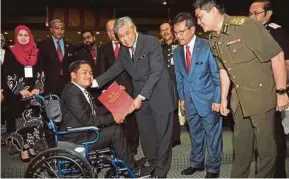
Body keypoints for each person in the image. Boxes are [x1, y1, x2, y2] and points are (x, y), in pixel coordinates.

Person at [193, 0, 288, 177]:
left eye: (200, 17)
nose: (198, 22)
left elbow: (277, 55)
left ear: (213, 11)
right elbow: (223, 70)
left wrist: (281, 92)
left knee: (265, 149)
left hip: (261, 95)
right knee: (242, 147)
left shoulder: (245, 25)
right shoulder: (213, 38)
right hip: (239, 100)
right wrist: (222, 99)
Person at [92, 16, 177, 177]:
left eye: (127, 34)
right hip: (140, 97)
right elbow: (116, 68)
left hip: (159, 94)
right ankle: (152, 162)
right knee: (146, 134)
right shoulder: (124, 49)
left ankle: (161, 170)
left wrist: (140, 96)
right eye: (121, 36)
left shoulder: (151, 42)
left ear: (134, 29)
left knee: (163, 135)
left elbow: (156, 72)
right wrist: (95, 82)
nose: (125, 39)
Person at [59, 60, 153, 177]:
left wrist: (116, 98)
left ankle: (129, 164)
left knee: (115, 127)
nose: (89, 76)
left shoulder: (79, 90)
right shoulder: (72, 93)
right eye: (84, 72)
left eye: (91, 73)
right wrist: (113, 117)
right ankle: (132, 171)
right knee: (115, 131)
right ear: (73, 75)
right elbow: (88, 120)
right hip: (77, 137)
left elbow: (96, 112)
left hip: (84, 131)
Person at [172, 12, 222, 178]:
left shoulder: (207, 46)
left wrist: (217, 100)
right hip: (189, 101)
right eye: (176, 32)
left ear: (192, 29)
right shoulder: (178, 52)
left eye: (181, 32)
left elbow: (217, 77)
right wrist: (182, 99)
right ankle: (196, 163)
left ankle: (213, 168)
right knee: (195, 134)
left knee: (212, 136)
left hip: (208, 101)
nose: (178, 36)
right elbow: (179, 78)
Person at [249, 0, 289, 177]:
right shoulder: (249, 32)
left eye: (256, 13)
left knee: (274, 132)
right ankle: (264, 168)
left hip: (273, 89)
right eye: (250, 13)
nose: (252, 17)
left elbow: (285, 62)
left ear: (268, 14)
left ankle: (278, 171)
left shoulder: (275, 31)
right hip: (254, 89)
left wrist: (282, 89)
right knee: (259, 133)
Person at [1, 25, 46, 162]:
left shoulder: (36, 51)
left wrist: (38, 87)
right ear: (16, 36)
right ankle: (23, 150)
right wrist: (20, 89)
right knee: (21, 123)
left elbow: (41, 72)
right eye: (20, 35)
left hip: (33, 93)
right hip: (17, 94)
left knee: (34, 122)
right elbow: (7, 73)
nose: (23, 38)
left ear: (30, 36)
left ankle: (32, 146)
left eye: (26, 35)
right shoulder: (10, 51)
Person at [100, 19, 139, 155]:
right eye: (109, 31)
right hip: (113, 91)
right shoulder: (103, 49)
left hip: (130, 88)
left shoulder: (128, 45)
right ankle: (119, 147)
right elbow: (102, 71)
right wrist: (105, 89)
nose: (112, 33)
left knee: (132, 120)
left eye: (114, 30)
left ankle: (133, 146)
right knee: (117, 120)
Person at [38, 19, 75, 96]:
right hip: (49, 84)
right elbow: (39, 65)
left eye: (62, 28)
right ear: (51, 29)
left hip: (66, 84)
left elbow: (72, 65)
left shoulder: (70, 46)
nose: (60, 31)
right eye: (57, 28)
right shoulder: (42, 45)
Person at [159, 22, 182, 147]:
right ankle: (172, 137)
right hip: (165, 83)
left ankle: (177, 136)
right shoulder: (159, 48)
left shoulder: (179, 45)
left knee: (180, 109)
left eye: (167, 29)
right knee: (170, 109)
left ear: (172, 30)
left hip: (180, 81)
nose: (165, 32)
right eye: (162, 30)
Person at [74, 30, 104, 100]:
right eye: (84, 38)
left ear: (94, 37)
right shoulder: (80, 53)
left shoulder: (103, 49)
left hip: (104, 84)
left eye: (88, 37)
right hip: (90, 87)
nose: (87, 40)